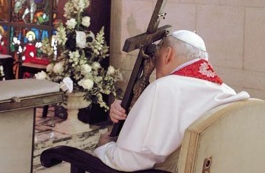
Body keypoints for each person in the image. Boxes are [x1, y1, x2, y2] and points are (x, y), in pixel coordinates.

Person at [93, 30, 250, 172]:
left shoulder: (163, 88)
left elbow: (130, 162)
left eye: (158, 55)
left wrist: (105, 146)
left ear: (167, 54)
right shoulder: (226, 91)